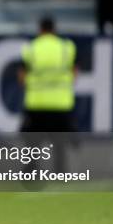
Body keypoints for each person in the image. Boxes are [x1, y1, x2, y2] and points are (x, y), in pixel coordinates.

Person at [19, 16, 77, 173]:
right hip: (61, 103)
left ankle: (31, 171)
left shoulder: (31, 48)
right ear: (54, 29)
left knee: (32, 141)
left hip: (36, 103)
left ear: (40, 29)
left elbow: (22, 76)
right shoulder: (66, 48)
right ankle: (60, 171)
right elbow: (74, 73)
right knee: (59, 142)